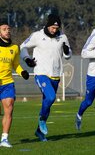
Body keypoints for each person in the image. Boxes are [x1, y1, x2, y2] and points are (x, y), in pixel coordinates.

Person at [20, 14, 72, 142]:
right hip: (41, 73)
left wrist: (67, 51)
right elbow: (23, 47)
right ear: (48, 25)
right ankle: (42, 119)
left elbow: (68, 55)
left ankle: (39, 132)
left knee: (47, 104)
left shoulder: (63, 37)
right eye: (53, 27)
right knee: (51, 97)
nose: (55, 30)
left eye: (57, 27)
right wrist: (27, 59)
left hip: (56, 75)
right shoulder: (37, 36)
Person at [0, 21, 29, 147]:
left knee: (9, 107)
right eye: (4, 29)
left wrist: (22, 72)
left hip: (7, 83)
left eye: (9, 28)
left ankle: (4, 139)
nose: (7, 31)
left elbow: (16, 65)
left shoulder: (14, 47)